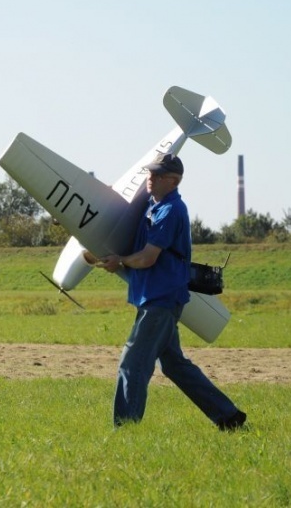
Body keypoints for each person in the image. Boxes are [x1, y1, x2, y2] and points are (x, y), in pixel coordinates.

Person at [93, 153, 246, 430]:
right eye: (149, 174)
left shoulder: (171, 211)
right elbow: (121, 225)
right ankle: (229, 417)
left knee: (133, 363)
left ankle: (126, 428)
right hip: (155, 298)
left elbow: (148, 258)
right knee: (175, 366)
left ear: (172, 181)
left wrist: (120, 262)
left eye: (156, 175)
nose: (149, 179)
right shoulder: (154, 205)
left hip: (160, 301)